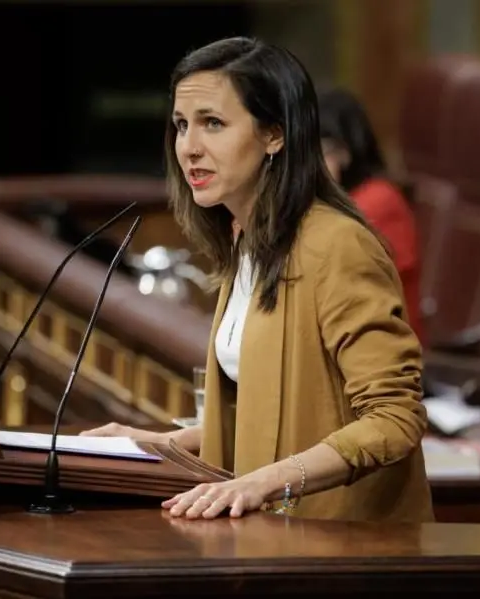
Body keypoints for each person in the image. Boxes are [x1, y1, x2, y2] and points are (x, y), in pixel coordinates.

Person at [81, 37, 432, 523]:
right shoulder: (247, 238)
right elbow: (274, 413)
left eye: (213, 124)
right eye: (182, 126)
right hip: (273, 539)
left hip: (345, 546)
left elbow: (395, 420)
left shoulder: (337, 246)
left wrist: (263, 481)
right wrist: (156, 442)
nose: (190, 148)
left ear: (275, 135)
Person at [318, 87, 425, 343]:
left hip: (384, 362)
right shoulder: (333, 203)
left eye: (316, 151)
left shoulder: (378, 201)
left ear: (344, 152)